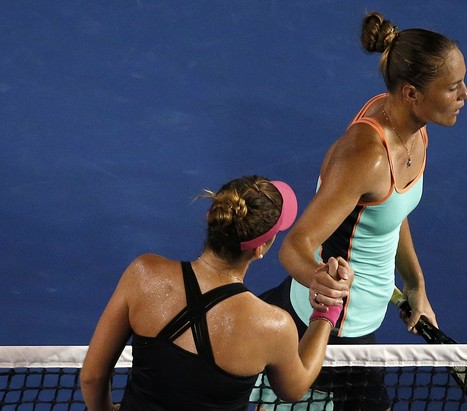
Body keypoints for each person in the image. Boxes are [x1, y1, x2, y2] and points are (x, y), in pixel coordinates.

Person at [257, 11, 467, 411]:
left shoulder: (413, 127)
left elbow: (390, 213)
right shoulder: (367, 155)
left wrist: (415, 284)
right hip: (334, 325)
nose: (465, 95)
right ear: (412, 93)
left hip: (362, 316)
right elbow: (296, 245)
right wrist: (323, 283)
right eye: (454, 87)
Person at [80, 175, 353, 411]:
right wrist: (326, 310)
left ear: (210, 216)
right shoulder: (273, 326)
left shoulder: (143, 274)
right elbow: (295, 388)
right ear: (260, 249)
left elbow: (92, 377)